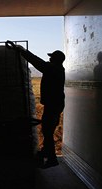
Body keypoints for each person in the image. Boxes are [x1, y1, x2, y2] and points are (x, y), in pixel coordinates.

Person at [6, 40, 65, 169]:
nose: (49, 60)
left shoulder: (53, 69)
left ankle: (52, 159)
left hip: (53, 105)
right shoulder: (58, 69)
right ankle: (45, 151)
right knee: (48, 129)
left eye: (51, 58)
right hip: (55, 104)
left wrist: (22, 51)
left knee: (48, 131)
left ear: (55, 60)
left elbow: (37, 62)